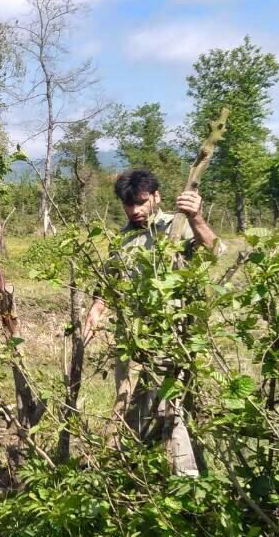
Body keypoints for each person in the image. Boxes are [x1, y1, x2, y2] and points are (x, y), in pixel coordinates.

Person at [82, 168, 224, 476]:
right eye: (128, 204)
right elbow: (109, 284)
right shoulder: (122, 239)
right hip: (131, 338)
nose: (134, 210)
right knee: (130, 403)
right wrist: (96, 310)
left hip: (170, 334)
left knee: (168, 407)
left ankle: (189, 482)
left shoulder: (178, 225)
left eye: (141, 202)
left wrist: (197, 217)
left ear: (157, 197)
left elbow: (215, 252)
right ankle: (135, 474)